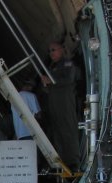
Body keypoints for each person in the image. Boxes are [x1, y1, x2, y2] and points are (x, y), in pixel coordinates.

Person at [41, 41, 81, 169]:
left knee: (68, 129)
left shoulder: (67, 64)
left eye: (53, 50)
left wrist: (51, 81)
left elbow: (68, 79)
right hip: (55, 104)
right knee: (57, 131)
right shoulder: (52, 67)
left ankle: (73, 161)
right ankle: (61, 161)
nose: (51, 53)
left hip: (65, 103)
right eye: (49, 51)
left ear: (61, 50)